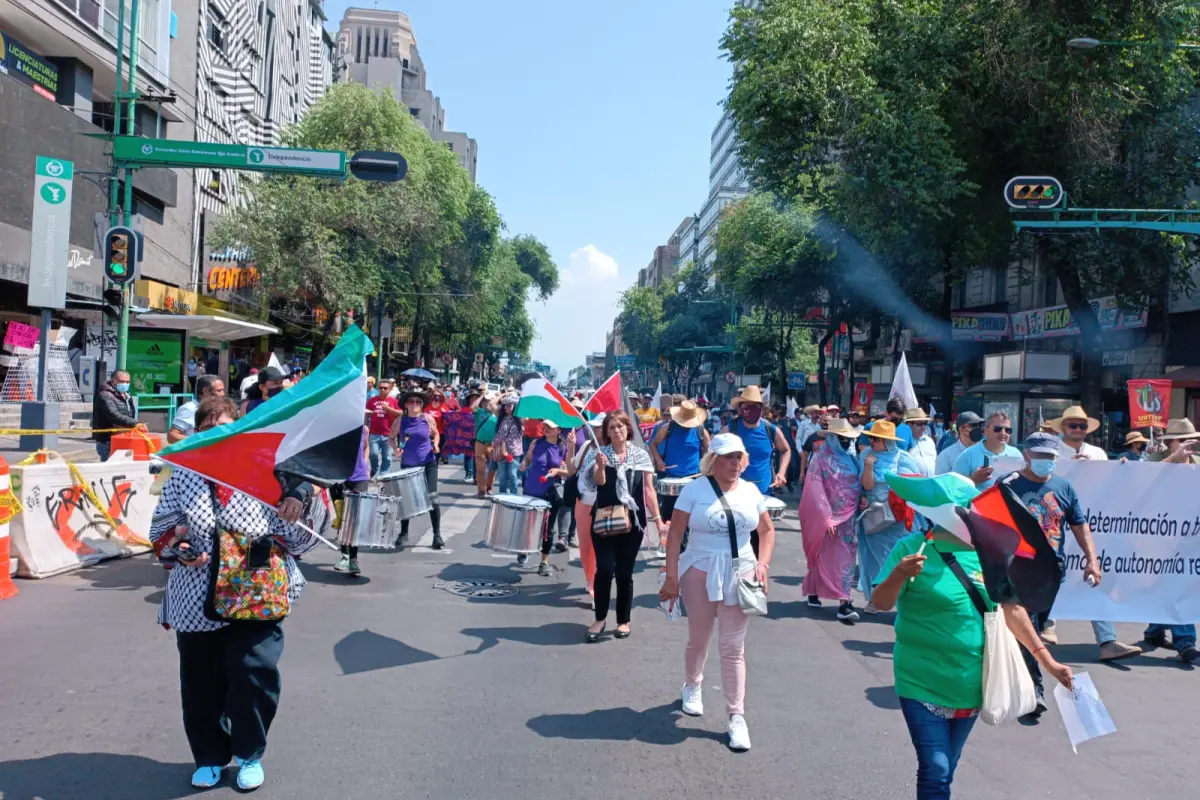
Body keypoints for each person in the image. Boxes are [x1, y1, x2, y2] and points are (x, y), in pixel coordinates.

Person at [148, 396, 318, 791]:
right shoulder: (184, 474)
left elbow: (299, 539)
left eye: (226, 429)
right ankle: (208, 756)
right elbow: (161, 529)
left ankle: (249, 754)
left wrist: (295, 503)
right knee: (200, 681)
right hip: (196, 594)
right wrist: (180, 547)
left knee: (254, 674)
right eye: (208, 431)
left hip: (256, 591)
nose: (217, 438)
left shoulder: (265, 469)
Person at [871, 492, 1074, 800]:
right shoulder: (911, 548)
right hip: (920, 680)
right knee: (935, 769)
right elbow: (881, 603)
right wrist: (900, 574)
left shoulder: (990, 554)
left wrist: (1049, 664)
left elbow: (1013, 611)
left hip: (971, 683)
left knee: (946, 768)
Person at [1000, 433, 1142, 704]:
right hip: (1016, 570)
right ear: (1027, 455)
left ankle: (1020, 682)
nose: (1044, 461)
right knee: (1026, 628)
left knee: (1033, 629)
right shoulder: (1007, 485)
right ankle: (1033, 691)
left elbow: (1079, 524)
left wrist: (1092, 559)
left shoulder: (1064, 488)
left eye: (1049, 457)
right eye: (1039, 456)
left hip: (1052, 572)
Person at [659, 433, 775, 752]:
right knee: (699, 637)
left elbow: (766, 531)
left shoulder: (751, 491)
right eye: (728, 457)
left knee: (733, 648)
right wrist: (671, 576)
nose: (735, 463)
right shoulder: (694, 490)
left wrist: (762, 566)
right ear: (714, 460)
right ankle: (692, 685)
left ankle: (736, 716)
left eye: (739, 457)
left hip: (741, 572)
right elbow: (676, 534)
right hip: (699, 569)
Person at [579, 411, 661, 642]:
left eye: (621, 426)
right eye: (612, 427)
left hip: (632, 521)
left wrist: (658, 520)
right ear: (606, 432)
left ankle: (623, 620)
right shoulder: (600, 454)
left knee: (625, 573)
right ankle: (600, 618)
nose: (617, 431)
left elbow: (648, 489)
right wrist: (601, 467)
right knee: (604, 570)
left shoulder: (641, 455)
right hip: (604, 519)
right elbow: (598, 483)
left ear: (628, 429)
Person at [798, 418, 863, 621]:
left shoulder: (851, 458)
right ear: (833, 437)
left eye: (848, 438)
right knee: (821, 554)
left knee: (846, 558)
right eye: (842, 438)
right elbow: (815, 490)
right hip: (827, 518)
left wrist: (862, 498)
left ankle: (844, 600)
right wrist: (825, 518)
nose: (846, 442)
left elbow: (858, 481)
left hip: (849, 518)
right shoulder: (820, 459)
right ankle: (823, 594)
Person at [859, 420, 922, 614]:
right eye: (871, 438)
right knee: (874, 559)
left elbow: (914, 485)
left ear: (888, 441)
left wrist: (895, 492)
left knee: (899, 557)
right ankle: (875, 598)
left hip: (898, 518)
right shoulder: (865, 455)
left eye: (877, 439)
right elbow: (867, 486)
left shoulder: (903, 458)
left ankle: (902, 597)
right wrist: (868, 466)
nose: (873, 442)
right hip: (875, 517)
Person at [720, 385, 790, 544]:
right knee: (734, 545)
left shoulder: (770, 429)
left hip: (763, 495)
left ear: (762, 409)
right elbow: (713, 456)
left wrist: (781, 472)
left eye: (756, 407)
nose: (751, 410)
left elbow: (786, 450)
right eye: (747, 407)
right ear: (740, 408)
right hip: (733, 496)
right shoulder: (729, 430)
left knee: (759, 543)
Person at [649, 400, 711, 550]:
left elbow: (710, 451)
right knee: (669, 516)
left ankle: (682, 550)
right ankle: (671, 546)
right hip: (671, 479)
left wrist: (706, 467)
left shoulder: (700, 430)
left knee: (690, 517)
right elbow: (652, 444)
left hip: (693, 479)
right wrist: (658, 461)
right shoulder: (668, 427)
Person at [392, 390, 445, 550]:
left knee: (433, 498)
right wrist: (395, 448)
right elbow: (390, 438)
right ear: (406, 404)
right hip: (408, 464)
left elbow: (436, 434)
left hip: (428, 462)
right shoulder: (401, 421)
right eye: (411, 401)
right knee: (405, 499)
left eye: (418, 402)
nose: (415, 404)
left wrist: (435, 445)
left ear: (422, 405)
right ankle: (403, 533)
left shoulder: (427, 418)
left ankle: (437, 535)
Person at [521, 420, 574, 575]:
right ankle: (525, 548)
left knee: (547, 529)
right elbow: (528, 459)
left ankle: (544, 561)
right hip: (532, 490)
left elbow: (570, 471)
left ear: (558, 430)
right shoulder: (536, 443)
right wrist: (524, 464)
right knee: (529, 524)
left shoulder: (563, 447)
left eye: (550, 427)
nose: (546, 429)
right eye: (545, 426)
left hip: (551, 492)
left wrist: (557, 471)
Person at [569, 414, 606, 598]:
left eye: (598, 427)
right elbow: (571, 469)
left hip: (604, 506)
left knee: (601, 547)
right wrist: (569, 447)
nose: (594, 430)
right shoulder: (585, 446)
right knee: (585, 547)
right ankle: (590, 578)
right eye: (592, 427)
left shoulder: (611, 449)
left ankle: (595, 585)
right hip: (583, 502)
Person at [333, 426, 371, 576]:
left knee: (355, 520)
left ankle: (353, 558)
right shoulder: (336, 429)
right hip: (339, 478)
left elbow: (366, 447)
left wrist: (366, 464)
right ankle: (344, 556)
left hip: (359, 478)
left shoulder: (364, 429)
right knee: (343, 518)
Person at [951, 411, 1022, 490]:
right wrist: (973, 480)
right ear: (985, 431)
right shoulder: (967, 456)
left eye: (1008, 430)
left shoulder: (1016, 454)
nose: (1003, 433)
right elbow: (953, 489)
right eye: (997, 429)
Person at [92, 369, 139, 461]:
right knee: (109, 468)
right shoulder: (105, 395)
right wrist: (135, 423)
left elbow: (129, 413)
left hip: (122, 437)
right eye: (122, 381)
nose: (125, 384)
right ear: (113, 382)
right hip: (108, 440)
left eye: (127, 382)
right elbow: (114, 415)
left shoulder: (126, 395)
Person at [169, 374, 226, 444]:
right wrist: (200, 440)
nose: (223, 394)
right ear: (205, 391)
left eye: (223, 390)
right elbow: (171, 436)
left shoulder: (221, 408)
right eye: (219, 391)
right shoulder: (189, 409)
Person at [365, 378, 401, 477]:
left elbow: (401, 413)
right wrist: (365, 428)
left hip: (388, 434)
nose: (383, 390)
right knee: (373, 454)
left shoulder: (394, 401)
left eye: (385, 388)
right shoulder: (372, 400)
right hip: (374, 433)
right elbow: (366, 414)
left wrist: (388, 409)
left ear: (389, 389)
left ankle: (384, 475)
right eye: (381, 388)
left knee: (387, 457)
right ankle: (375, 471)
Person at [491, 393, 523, 495]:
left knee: (513, 474)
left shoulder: (520, 418)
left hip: (514, 451)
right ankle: (502, 495)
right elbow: (492, 403)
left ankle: (513, 496)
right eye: (505, 405)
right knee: (502, 476)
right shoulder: (501, 417)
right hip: (501, 451)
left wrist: (519, 399)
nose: (506, 407)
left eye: (510, 405)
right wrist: (503, 395)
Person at [933, 412, 982, 476]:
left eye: (979, 425)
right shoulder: (946, 456)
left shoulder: (985, 451)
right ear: (961, 429)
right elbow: (939, 483)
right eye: (973, 426)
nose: (977, 429)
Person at [473, 393, 499, 497]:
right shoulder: (480, 412)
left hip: (493, 445)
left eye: (490, 401)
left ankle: (489, 487)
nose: (488, 403)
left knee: (492, 469)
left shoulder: (498, 414)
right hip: (480, 443)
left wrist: (499, 396)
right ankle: (481, 490)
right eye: (486, 401)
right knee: (480, 469)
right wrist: (481, 396)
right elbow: (473, 407)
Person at [905, 407, 938, 477]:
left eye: (925, 423)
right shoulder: (904, 442)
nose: (923, 427)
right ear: (909, 424)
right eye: (919, 424)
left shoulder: (929, 441)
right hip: (912, 484)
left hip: (931, 483)